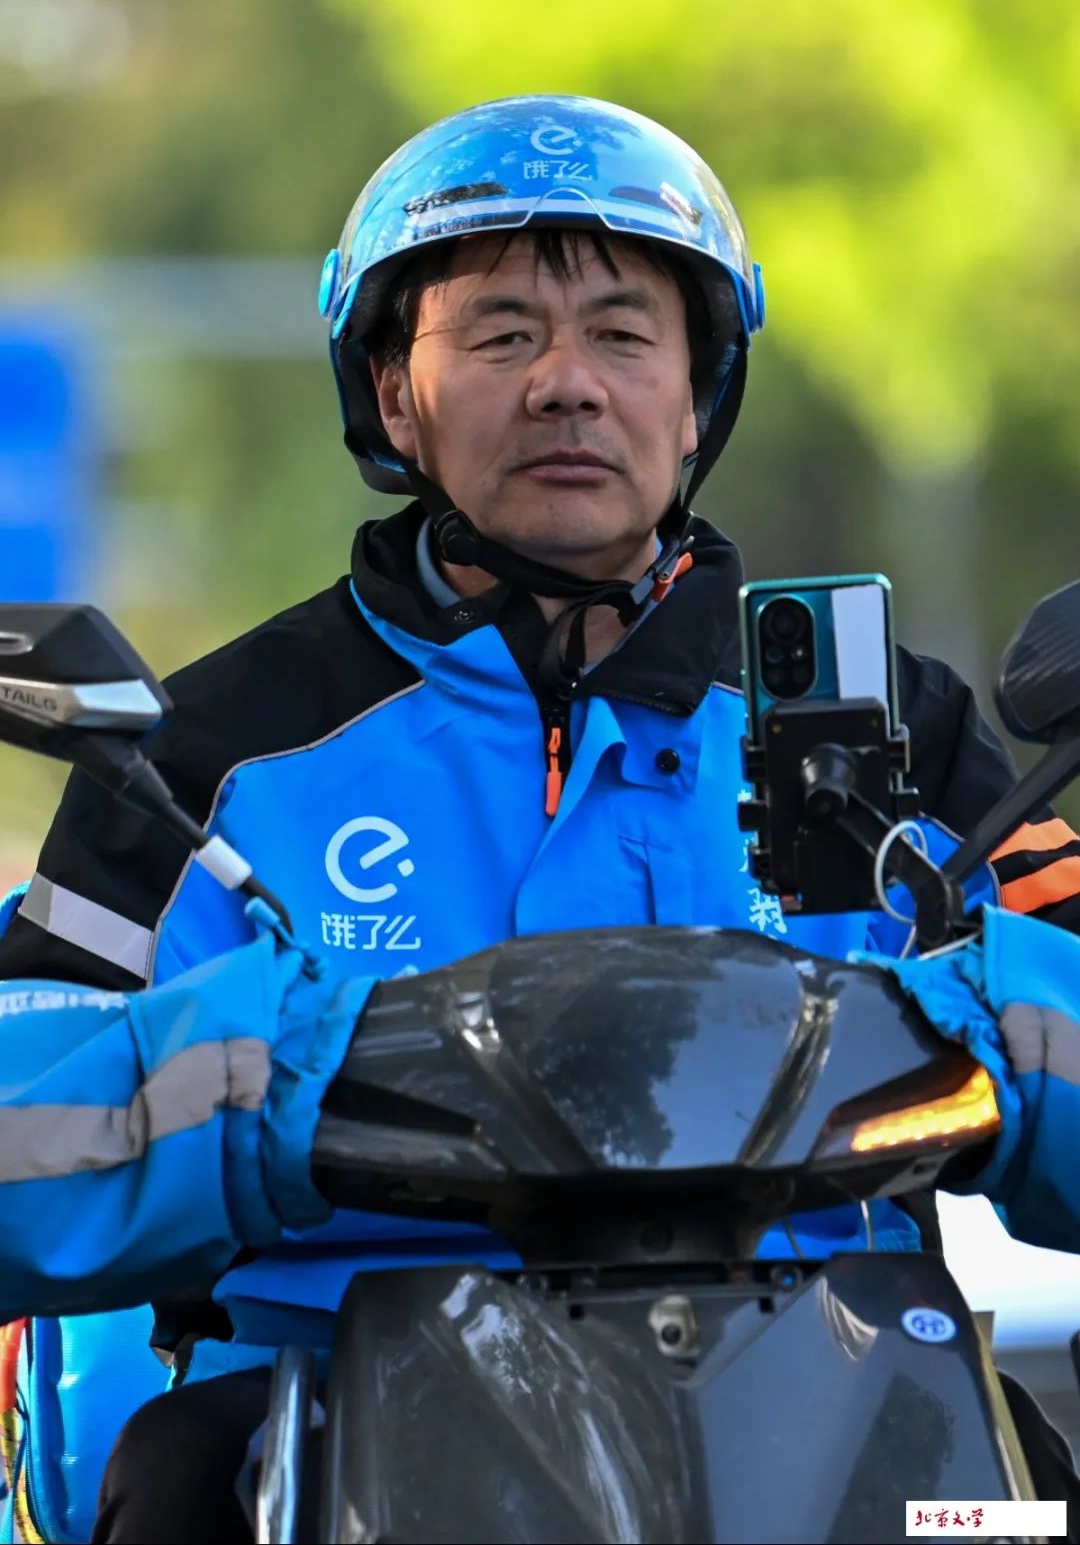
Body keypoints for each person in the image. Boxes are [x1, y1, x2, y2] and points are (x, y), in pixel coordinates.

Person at [2, 94, 1080, 1541]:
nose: (568, 383)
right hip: (315, 1419)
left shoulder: (904, 730)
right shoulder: (202, 754)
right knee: (173, 1480)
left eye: (624, 335)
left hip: (846, 1409)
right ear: (394, 396)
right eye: (502, 333)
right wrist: (278, 1080)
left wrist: (999, 1028)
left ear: (695, 399)